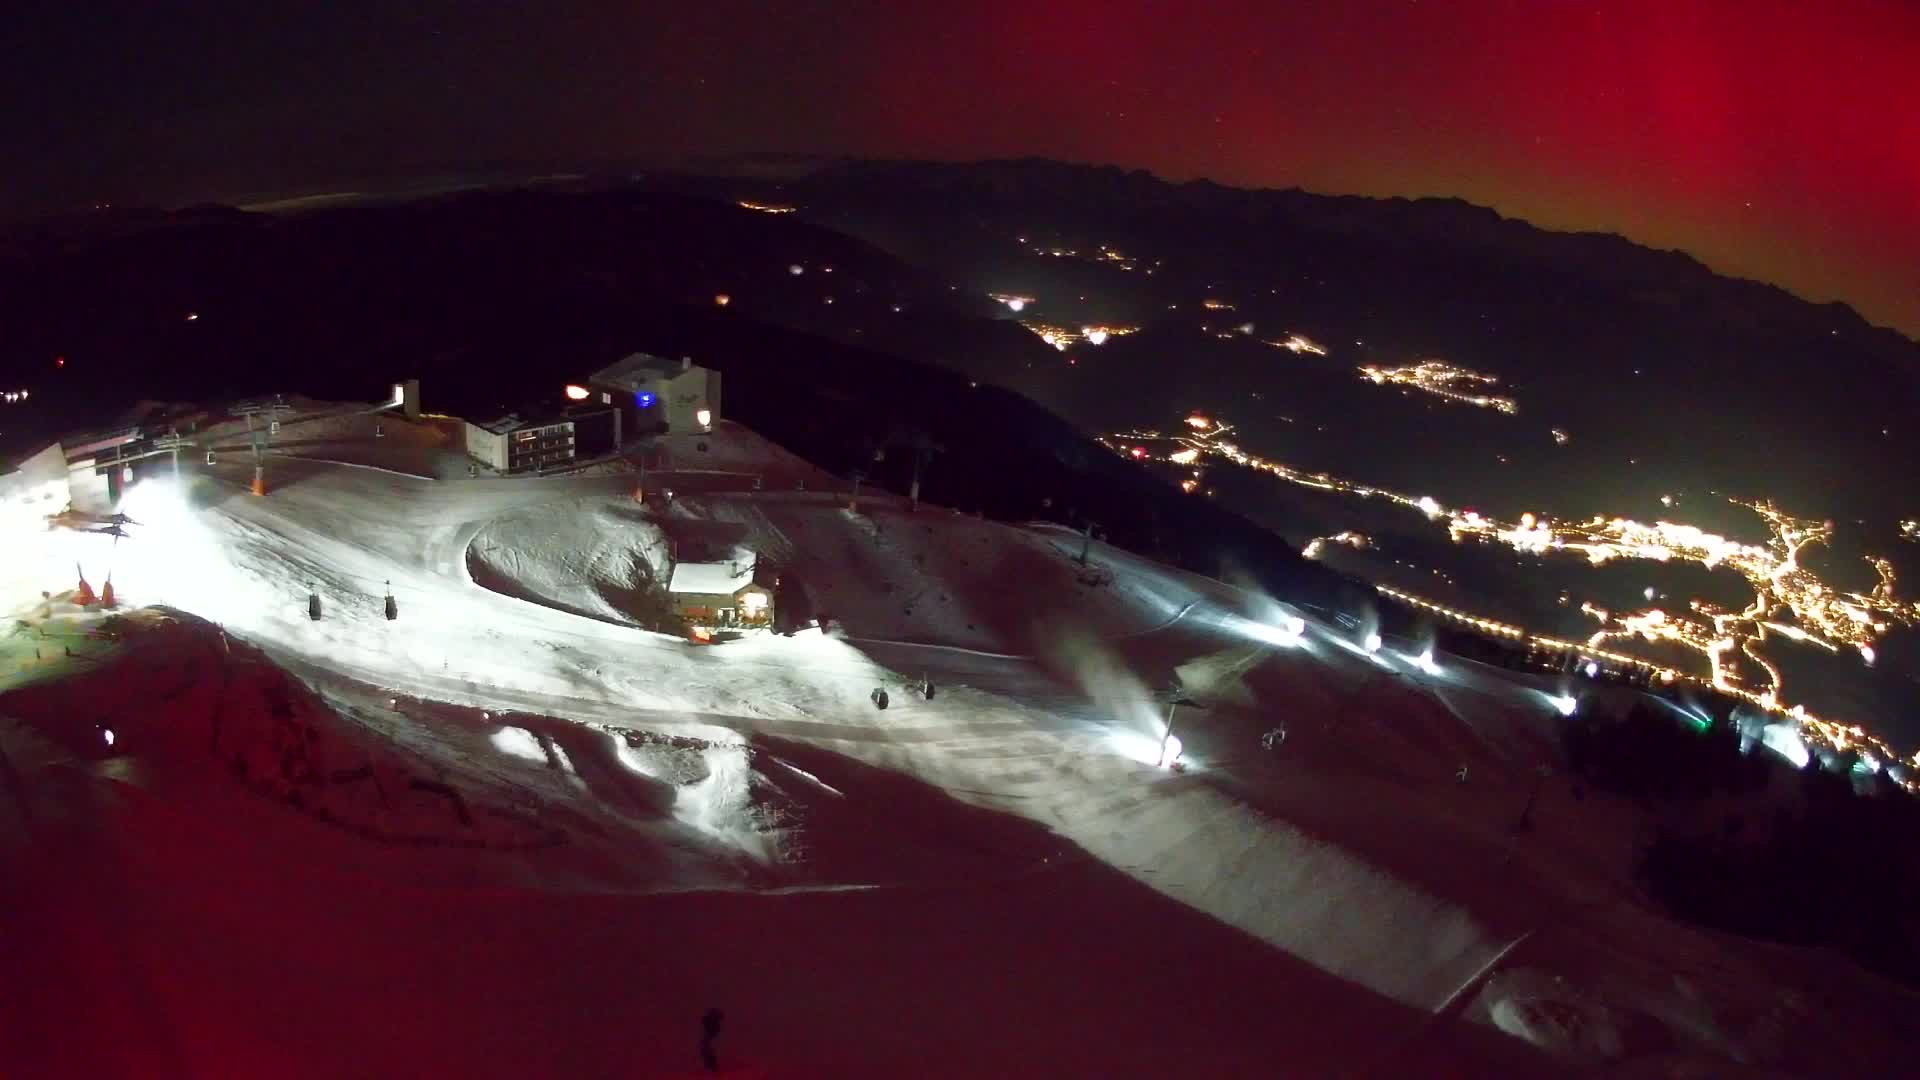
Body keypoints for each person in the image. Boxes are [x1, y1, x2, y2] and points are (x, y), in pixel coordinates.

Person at [699, 1007, 724, 1073]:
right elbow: (704, 1022)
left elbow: (704, 1022)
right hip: (709, 1036)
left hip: (710, 1036)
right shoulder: (712, 1022)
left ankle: (711, 1067)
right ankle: (711, 1067)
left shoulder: (713, 1023)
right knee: (706, 1049)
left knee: (707, 1049)